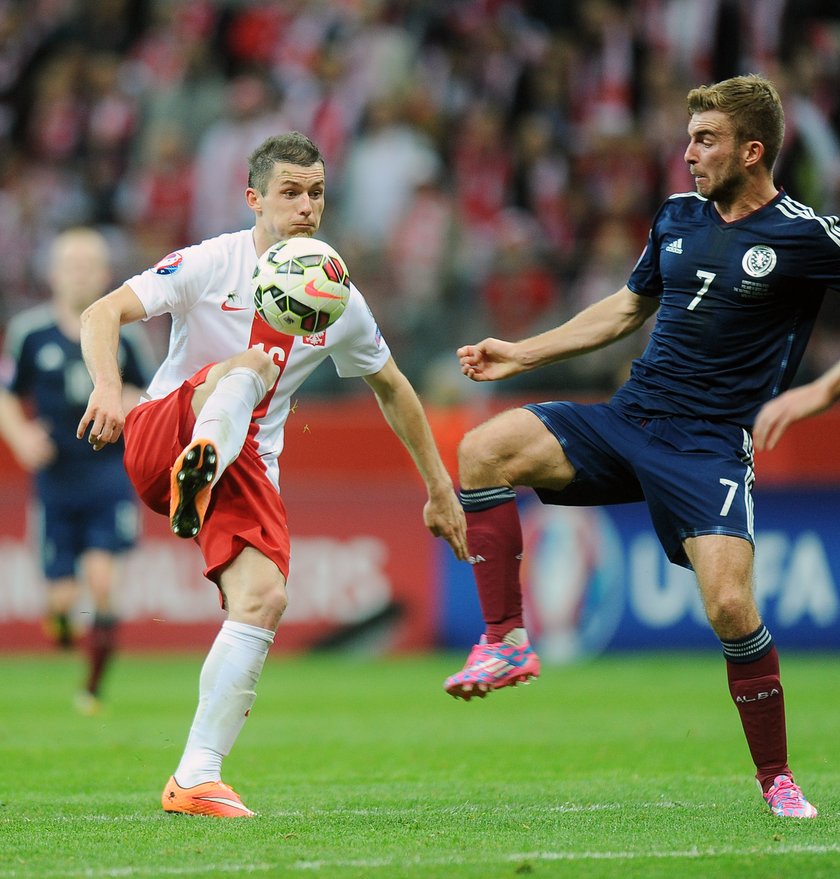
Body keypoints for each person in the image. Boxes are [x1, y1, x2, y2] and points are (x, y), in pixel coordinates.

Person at [445, 74, 838, 819]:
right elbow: (628, 307)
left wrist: (822, 390)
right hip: (630, 419)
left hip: (711, 447)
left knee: (728, 605)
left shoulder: (805, 234)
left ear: (753, 151)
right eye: (688, 138)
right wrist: (522, 354)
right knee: (482, 450)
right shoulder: (677, 217)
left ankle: (778, 778)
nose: (687, 152)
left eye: (706, 140)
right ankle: (506, 640)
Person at [76, 131, 468, 818]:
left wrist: (439, 487)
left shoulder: (334, 293)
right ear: (254, 198)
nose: (306, 205)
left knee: (263, 598)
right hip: (162, 431)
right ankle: (200, 458)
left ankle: (195, 776)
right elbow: (102, 311)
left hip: (245, 464)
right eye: (290, 191)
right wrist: (109, 386)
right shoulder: (211, 260)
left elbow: (395, 388)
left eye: (316, 192)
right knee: (252, 366)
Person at [0, 227, 152, 714]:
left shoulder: (128, 334)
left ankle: (92, 690)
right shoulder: (30, 333)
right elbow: (6, 391)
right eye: (72, 264)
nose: (81, 272)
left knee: (103, 583)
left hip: (108, 475)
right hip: (55, 481)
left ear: (107, 274)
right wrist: (21, 436)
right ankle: (62, 622)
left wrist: (133, 402)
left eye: (91, 264)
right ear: (54, 273)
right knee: (63, 600)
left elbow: (156, 392)